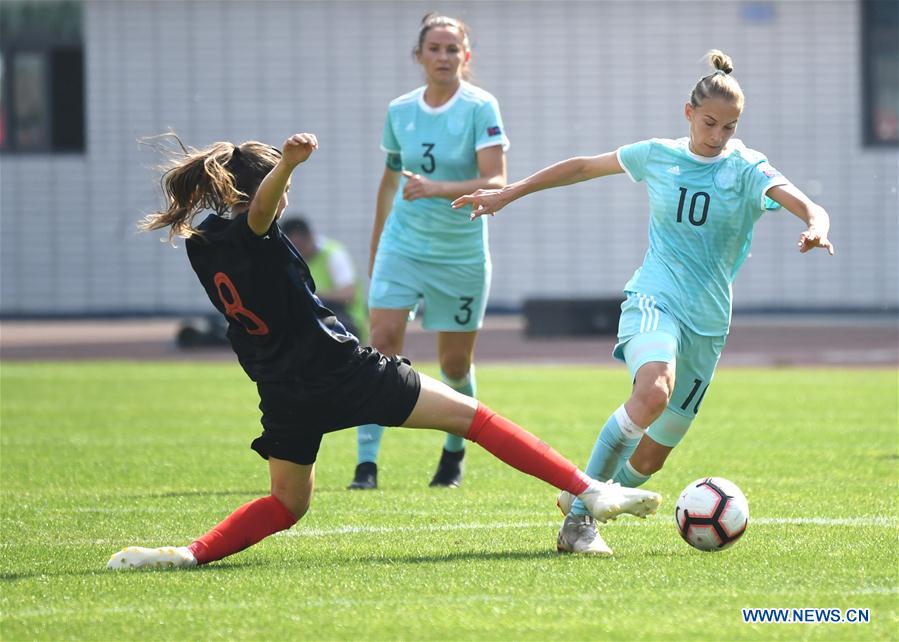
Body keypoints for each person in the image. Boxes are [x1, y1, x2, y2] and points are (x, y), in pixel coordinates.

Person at [106, 132, 662, 570]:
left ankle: (192, 553)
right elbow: (258, 215)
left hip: (282, 390)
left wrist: (273, 178)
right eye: (281, 191)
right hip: (341, 369)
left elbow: (248, 218)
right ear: (260, 193)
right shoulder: (255, 226)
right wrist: (289, 165)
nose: (285, 200)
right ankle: (590, 490)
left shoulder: (202, 244)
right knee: (475, 418)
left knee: (287, 505)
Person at [452, 50, 834, 555]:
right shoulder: (659, 154)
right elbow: (584, 167)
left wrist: (816, 225)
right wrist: (508, 193)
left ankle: (585, 494)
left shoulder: (746, 168)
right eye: (709, 122)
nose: (717, 135)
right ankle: (583, 517)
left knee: (652, 458)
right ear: (688, 113)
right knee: (653, 391)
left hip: (709, 321)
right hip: (655, 298)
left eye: (729, 126)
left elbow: (807, 203)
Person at [350, 13, 509, 491]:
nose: (443, 56)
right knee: (381, 345)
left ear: (466, 56)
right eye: (434, 48)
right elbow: (390, 181)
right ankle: (366, 465)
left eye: (451, 49)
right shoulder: (400, 110)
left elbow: (496, 181)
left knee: (455, 365)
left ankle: (453, 454)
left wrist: (437, 188)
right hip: (404, 245)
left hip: (459, 253)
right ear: (418, 56)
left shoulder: (481, 107)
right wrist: (378, 244)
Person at [281, 217, 368, 343]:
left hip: (344, 318)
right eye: (294, 247)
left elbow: (348, 295)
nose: (298, 251)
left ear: (310, 237)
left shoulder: (333, 254)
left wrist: (315, 296)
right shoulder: (289, 260)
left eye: (300, 245)